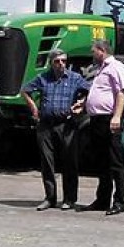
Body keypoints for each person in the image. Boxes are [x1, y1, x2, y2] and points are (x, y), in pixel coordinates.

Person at [22, 49, 89, 210]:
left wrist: (83, 104)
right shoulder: (43, 78)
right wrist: (33, 107)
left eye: (63, 61)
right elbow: (24, 90)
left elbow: (91, 91)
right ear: (51, 63)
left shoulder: (75, 78)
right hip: (46, 124)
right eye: (57, 61)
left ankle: (69, 199)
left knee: (70, 162)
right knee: (47, 162)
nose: (61, 64)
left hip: (66, 124)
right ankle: (50, 198)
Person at [81, 40, 124, 216]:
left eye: (94, 51)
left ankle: (120, 201)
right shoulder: (100, 68)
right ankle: (102, 199)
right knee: (102, 162)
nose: (92, 54)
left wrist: (117, 116)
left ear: (102, 51)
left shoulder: (116, 67)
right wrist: (84, 103)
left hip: (109, 119)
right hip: (96, 119)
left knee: (115, 161)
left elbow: (120, 92)